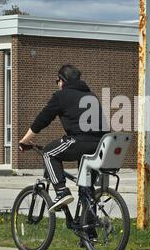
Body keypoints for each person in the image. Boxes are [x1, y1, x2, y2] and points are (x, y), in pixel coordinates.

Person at [19, 64, 106, 212]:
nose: (58, 84)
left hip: (79, 141)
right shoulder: (91, 95)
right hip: (100, 145)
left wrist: (24, 141)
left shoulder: (61, 96)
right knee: (86, 189)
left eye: (57, 81)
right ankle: (89, 230)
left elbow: (42, 120)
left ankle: (61, 191)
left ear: (62, 81)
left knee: (48, 153)